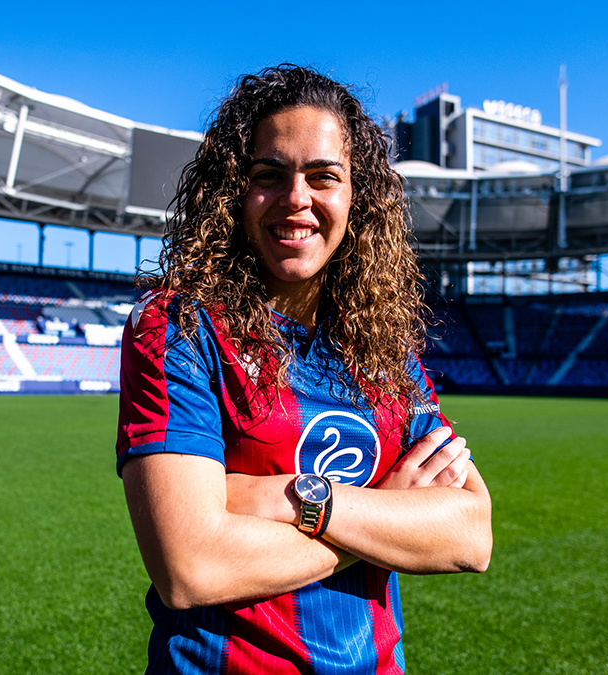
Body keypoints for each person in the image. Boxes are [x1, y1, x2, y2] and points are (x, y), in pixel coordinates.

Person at [116, 65, 491, 674]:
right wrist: (382, 512)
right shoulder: (178, 328)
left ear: (355, 197)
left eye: (324, 176)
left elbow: (471, 535)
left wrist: (301, 500)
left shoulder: (384, 350)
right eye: (269, 175)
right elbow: (192, 567)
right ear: (232, 194)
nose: (297, 199)